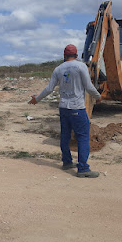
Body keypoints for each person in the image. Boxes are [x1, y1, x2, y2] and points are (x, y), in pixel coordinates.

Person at [28, 44, 102, 178]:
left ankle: (67, 162)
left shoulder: (58, 69)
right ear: (77, 55)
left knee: (65, 136)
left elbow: (49, 89)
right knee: (83, 137)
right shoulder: (81, 66)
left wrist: (37, 99)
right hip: (77, 108)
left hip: (63, 108)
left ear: (64, 56)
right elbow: (89, 87)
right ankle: (83, 168)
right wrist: (98, 96)